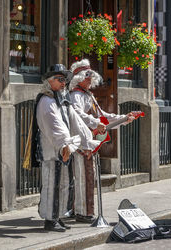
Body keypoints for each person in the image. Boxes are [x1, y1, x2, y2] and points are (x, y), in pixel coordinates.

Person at [34, 64, 100, 232]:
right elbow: (55, 125)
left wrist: (89, 137)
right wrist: (65, 144)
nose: (64, 83)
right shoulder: (46, 100)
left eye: (65, 80)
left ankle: (58, 216)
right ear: (50, 81)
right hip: (51, 151)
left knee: (64, 184)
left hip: (64, 150)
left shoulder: (63, 101)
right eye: (60, 80)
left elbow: (76, 121)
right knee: (51, 185)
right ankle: (50, 219)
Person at [69, 59, 135, 223]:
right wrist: (95, 123)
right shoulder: (75, 95)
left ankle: (85, 211)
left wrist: (123, 118)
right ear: (79, 78)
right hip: (80, 141)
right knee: (83, 177)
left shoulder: (88, 95)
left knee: (88, 176)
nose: (90, 81)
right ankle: (82, 212)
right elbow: (78, 115)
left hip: (87, 141)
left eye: (91, 77)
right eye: (87, 77)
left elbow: (102, 116)